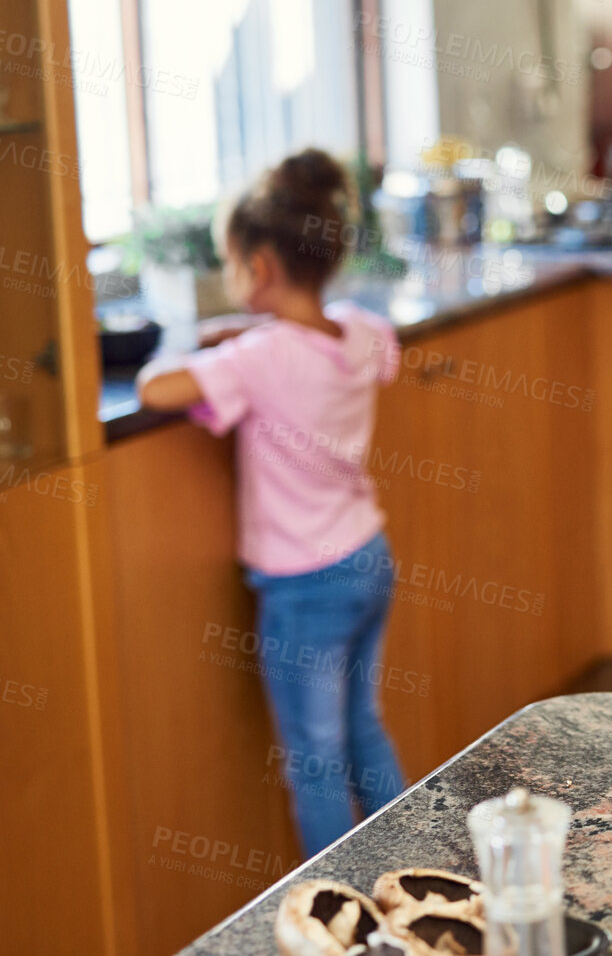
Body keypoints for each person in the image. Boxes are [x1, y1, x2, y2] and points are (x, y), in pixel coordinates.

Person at [137, 149, 405, 856]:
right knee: (362, 727)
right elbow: (375, 350)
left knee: (315, 762)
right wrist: (249, 339)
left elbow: (155, 389)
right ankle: (415, 873)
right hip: (368, 556)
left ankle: (338, 914)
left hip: (304, 585)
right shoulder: (359, 330)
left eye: (229, 263)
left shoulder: (258, 359)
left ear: (257, 269)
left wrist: (205, 344)